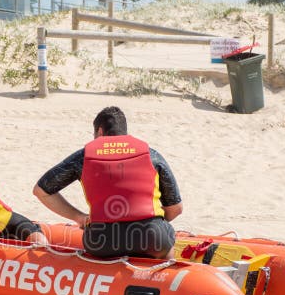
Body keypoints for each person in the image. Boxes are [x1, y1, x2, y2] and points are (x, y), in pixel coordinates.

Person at [33, 106, 183, 259]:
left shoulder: (84, 157)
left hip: (101, 241)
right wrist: (153, 225)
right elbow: (176, 208)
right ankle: (167, 274)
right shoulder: (151, 155)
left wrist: (79, 217)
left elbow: (41, 190)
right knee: (165, 241)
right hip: (151, 238)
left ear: (99, 132)